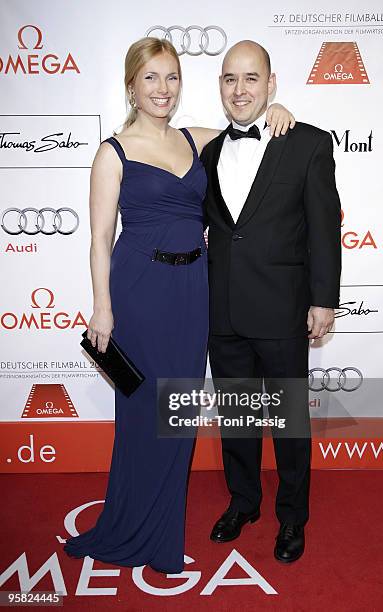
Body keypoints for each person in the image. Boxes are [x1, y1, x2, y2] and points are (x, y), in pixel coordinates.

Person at [63, 37, 295, 574]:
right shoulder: (112, 151)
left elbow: (250, 133)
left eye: (171, 78)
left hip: (194, 290)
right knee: (144, 411)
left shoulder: (196, 140)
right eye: (150, 78)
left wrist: (280, 109)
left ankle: (163, 524)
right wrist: (102, 309)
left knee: (180, 413)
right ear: (131, 86)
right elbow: (99, 237)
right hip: (139, 293)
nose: (162, 89)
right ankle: (131, 524)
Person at [200, 40, 341, 564]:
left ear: (271, 82)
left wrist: (323, 300)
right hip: (224, 312)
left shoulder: (306, 143)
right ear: (220, 86)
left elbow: (324, 229)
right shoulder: (209, 152)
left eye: (251, 79)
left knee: (288, 424)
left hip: (283, 310)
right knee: (236, 420)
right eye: (230, 79)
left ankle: (292, 518)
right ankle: (244, 502)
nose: (240, 90)